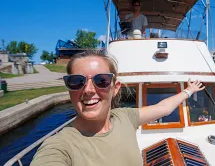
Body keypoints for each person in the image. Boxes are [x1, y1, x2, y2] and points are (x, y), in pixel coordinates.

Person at [31, 50, 204, 166]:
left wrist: (189, 90)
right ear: (69, 88)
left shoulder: (124, 117)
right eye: (77, 82)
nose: (89, 90)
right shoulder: (59, 146)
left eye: (101, 81)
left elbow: (163, 108)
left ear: (115, 88)